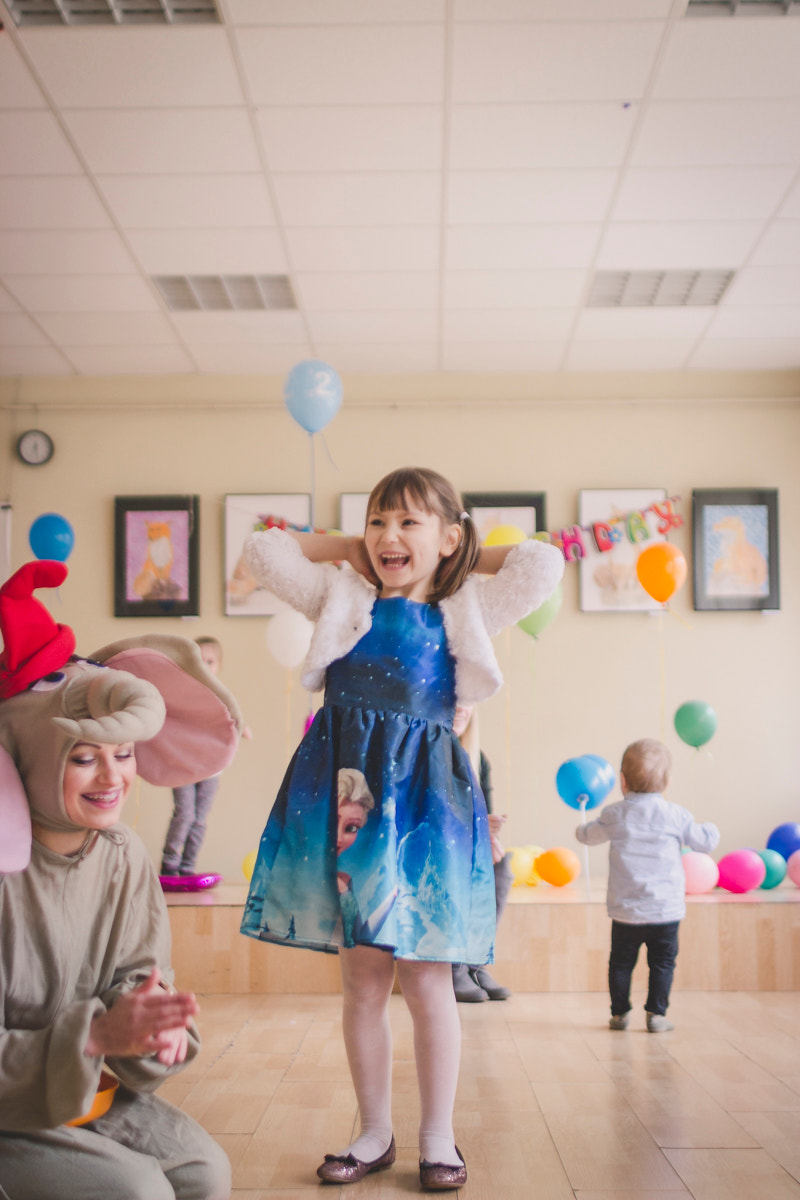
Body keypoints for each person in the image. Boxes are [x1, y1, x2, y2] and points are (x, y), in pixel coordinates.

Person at [240, 466, 564, 1189]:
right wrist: (349, 547)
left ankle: (438, 1138)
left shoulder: (468, 604)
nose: (389, 536)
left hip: (425, 806)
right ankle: (373, 1131)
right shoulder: (340, 594)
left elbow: (543, 561)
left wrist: (460, 551)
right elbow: (265, 550)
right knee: (362, 978)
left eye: (408, 523)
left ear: (446, 537)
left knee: (427, 978)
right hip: (350, 795)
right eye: (378, 521)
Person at [0, 560, 241, 1200]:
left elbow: (137, 976)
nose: (112, 778)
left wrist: (151, 1030)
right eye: (83, 758)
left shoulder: (124, 854)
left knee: (205, 1174)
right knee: (138, 1192)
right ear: (27, 753)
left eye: (124, 753)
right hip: (11, 1107)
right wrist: (97, 1036)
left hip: (90, 1093)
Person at [575, 737, 720, 1033]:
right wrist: (712, 830)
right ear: (666, 782)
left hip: (626, 911)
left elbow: (588, 836)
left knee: (620, 964)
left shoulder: (614, 814)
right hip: (665, 910)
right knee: (663, 963)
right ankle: (656, 1014)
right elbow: (703, 842)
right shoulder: (676, 815)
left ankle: (619, 1014)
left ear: (622, 781)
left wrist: (581, 825)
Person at [160, 636, 251, 884]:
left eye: (209, 661)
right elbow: (171, 718)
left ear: (218, 665)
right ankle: (169, 864)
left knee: (200, 819)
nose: (204, 665)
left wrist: (243, 728)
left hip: (212, 769)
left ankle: (188, 866)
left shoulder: (220, 695)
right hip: (184, 767)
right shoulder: (183, 693)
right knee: (185, 814)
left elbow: (233, 715)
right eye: (198, 660)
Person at [450, 705, 513, 1003]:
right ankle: (452, 966)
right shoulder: (428, 754)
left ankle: (475, 962)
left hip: (466, 843)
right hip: (438, 848)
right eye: (456, 698)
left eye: (469, 700)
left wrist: (488, 833)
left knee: (501, 868)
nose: (463, 708)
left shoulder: (477, 758)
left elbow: (482, 812)